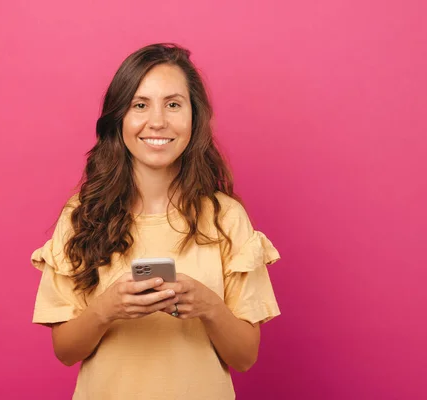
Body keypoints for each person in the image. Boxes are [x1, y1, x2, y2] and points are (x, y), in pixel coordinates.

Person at [30, 43, 281, 400]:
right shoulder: (81, 215)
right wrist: (107, 309)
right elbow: (66, 351)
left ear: (194, 118)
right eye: (140, 105)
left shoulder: (226, 218)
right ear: (120, 118)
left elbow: (245, 357)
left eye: (174, 104)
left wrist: (210, 307)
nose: (158, 121)